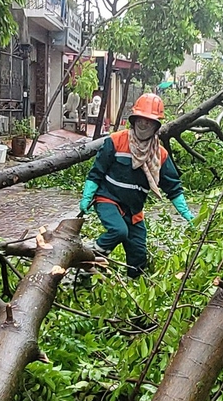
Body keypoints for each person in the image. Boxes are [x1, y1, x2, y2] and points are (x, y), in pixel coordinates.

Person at [80, 93, 196, 277]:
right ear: (133, 120)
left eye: (149, 122)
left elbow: (173, 188)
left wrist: (188, 215)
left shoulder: (160, 154)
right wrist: (87, 195)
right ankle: (87, 261)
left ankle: (133, 286)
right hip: (107, 199)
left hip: (134, 211)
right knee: (118, 231)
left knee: (138, 252)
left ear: (156, 125)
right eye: (141, 120)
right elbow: (96, 172)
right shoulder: (115, 141)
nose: (144, 125)